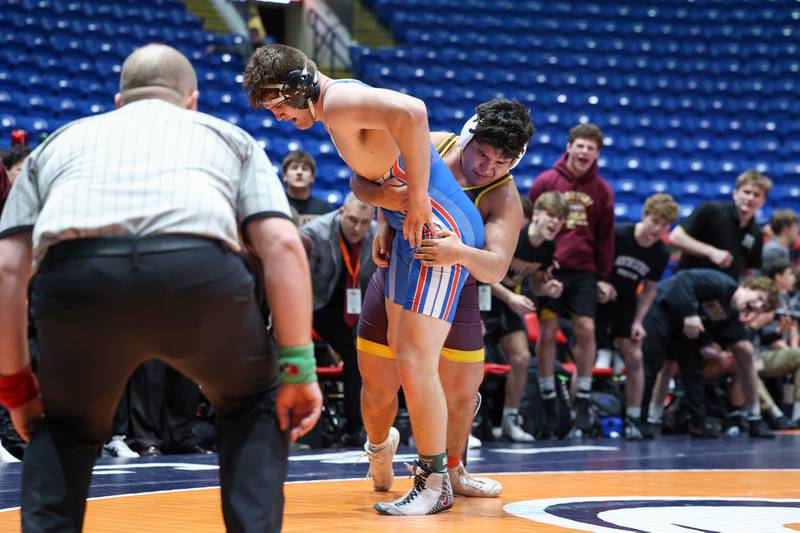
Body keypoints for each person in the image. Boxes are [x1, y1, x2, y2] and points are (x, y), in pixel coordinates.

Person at [0, 44, 322, 532]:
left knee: (65, 426)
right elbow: (282, 245)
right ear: (191, 100)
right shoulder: (227, 135)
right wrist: (298, 368)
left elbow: (7, 268)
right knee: (254, 403)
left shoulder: (58, 142)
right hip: (197, 276)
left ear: (118, 101)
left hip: (79, 282)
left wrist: (15, 386)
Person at [244, 44, 485, 516]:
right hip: (412, 222)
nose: (279, 118)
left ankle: (434, 481)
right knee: (403, 351)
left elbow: (414, 113)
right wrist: (384, 214)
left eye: (279, 107)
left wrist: (415, 201)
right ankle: (429, 472)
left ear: (298, 88)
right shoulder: (335, 106)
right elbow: (379, 164)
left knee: (415, 362)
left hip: (436, 224)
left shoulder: (335, 102)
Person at [352, 99, 532, 498]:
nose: (486, 168)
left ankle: (452, 471)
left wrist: (459, 254)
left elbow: (496, 269)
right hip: (399, 273)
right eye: (482, 154)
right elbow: (367, 183)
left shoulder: (503, 196)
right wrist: (386, 220)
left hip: (457, 285)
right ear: (468, 136)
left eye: (500, 164)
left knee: (464, 393)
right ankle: (379, 447)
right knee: (378, 388)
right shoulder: (430, 144)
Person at [527, 123, 616, 437]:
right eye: (580, 145)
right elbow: (528, 220)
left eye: (591, 148)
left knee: (586, 329)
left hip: (585, 272)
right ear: (569, 147)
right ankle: (549, 394)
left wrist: (604, 277)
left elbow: (606, 238)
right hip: (551, 268)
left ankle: (583, 397)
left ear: (597, 154)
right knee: (548, 331)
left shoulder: (602, 190)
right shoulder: (546, 181)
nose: (584, 152)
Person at [641, 269, 778, 438]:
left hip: (688, 330)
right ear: (747, 286)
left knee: (743, 352)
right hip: (665, 309)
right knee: (665, 363)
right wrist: (689, 314)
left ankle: (751, 418)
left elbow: (717, 331)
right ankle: (649, 418)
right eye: (759, 298)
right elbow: (684, 279)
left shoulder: (731, 314)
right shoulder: (722, 284)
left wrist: (708, 344)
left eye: (762, 307)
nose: (757, 306)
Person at [482, 192, 568, 442]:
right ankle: (473, 422)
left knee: (521, 357)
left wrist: (547, 289)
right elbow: (483, 273)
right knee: (473, 360)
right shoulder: (514, 236)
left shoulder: (548, 248)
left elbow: (538, 284)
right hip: (483, 294)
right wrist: (510, 297)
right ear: (537, 214)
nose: (555, 223)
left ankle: (510, 420)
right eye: (551, 215)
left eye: (560, 219)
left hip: (509, 300)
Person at [595, 194, 679, 439]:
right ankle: (578, 413)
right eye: (655, 221)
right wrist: (600, 283)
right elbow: (595, 262)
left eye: (665, 225)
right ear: (645, 215)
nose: (658, 229)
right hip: (601, 298)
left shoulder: (661, 252)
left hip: (626, 303)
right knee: (585, 355)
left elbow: (650, 288)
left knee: (635, 357)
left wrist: (637, 321)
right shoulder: (619, 233)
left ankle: (633, 417)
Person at [300, 193, 377, 444]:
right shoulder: (315, 233)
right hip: (315, 305)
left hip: (354, 305)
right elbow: (298, 284)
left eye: (365, 222)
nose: (358, 229)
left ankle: (355, 428)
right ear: (341, 213)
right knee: (349, 351)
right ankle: (310, 429)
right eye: (353, 220)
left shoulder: (377, 234)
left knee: (361, 355)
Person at [669, 170, 772, 280]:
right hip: (688, 284)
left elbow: (748, 272)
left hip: (724, 293)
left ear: (763, 201)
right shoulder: (711, 210)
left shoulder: (756, 233)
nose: (750, 198)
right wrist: (711, 252)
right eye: (746, 192)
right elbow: (675, 237)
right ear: (735, 194)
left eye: (756, 195)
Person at [283, 150, 334, 224]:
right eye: (294, 168)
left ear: (312, 177)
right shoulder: (276, 205)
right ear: (285, 176)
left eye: (305, 169)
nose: (299, 172)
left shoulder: (326, 209)